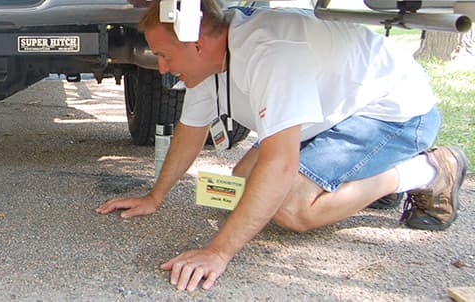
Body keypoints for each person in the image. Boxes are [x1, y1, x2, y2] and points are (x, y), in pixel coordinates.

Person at [96, 0, 468, 292]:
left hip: (395, 117)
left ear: (197, 42)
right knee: (243, 182)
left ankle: (429, 169)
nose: (160, 68)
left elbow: (280, 164)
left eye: (164, 56)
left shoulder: (270, 53)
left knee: (291, 208)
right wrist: (155, 196)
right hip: (334, 113)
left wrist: (218, 251)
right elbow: (190, 131)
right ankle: (359, 180)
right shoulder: (212, 56)